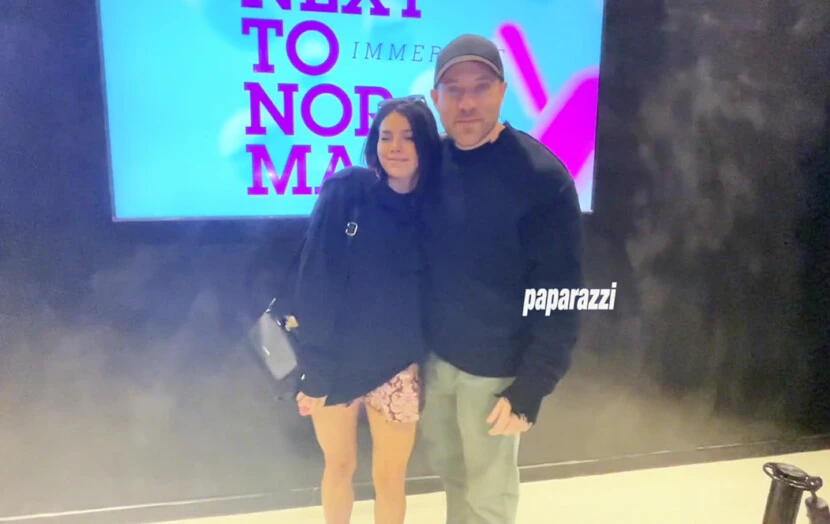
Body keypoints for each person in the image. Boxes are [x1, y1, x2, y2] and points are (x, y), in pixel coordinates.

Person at [418, 34, 584, 524]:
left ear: (503, 91)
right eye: (453, 90)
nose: (466, 102)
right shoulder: (431, 163)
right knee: (452, 478)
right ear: (436, 99)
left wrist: (532, 386)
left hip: (495, 374)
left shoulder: (542, 177)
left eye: (481, 87)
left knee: (489, 499)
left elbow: (561, 295)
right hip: (436, 364)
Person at [290, 95, 442, 524]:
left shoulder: (434, 208)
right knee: (338, 468)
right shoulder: (347, 191)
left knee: (391, 479)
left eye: (409, 137)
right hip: (334, 365)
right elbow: (314, 280)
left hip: (397, 367)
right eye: (386, 136)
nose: (395, 147)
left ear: (426, 145)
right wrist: (315, 369)